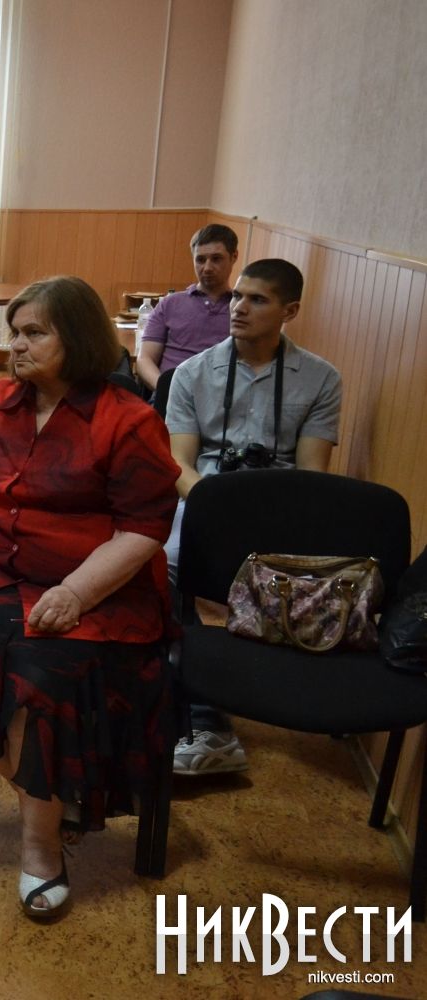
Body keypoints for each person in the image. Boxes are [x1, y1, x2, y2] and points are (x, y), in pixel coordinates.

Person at [0, 275, 179, 920]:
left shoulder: (128, 420)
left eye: (34, 333)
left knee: (34, 680)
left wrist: (76, 591)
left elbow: (143, 529)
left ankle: (40, 845)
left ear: (77, 338)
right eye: (14, 333)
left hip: (99, 589)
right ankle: (48, 798)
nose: (16, 345)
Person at [163, 258, 342, 775]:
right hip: (204, 499)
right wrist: (219, 513)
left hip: (283, 507)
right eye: (238, 296)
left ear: (290, 310)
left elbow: (312, 474)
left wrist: (265, 522)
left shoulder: (321, 379)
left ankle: (276, 690)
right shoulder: (192, 374)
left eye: (257, 299)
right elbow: (179, 465)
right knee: (161, 566)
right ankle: (200, 709)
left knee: (307, 572)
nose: (238, 307)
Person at [134, 224, 240, 391]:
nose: (207, 268)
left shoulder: (242, 309)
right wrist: (167, 390)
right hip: (169, 392)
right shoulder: (170, 304)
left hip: (221, 396)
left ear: (234, 257)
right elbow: (144, 359)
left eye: (216, 259)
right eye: (200, 260)